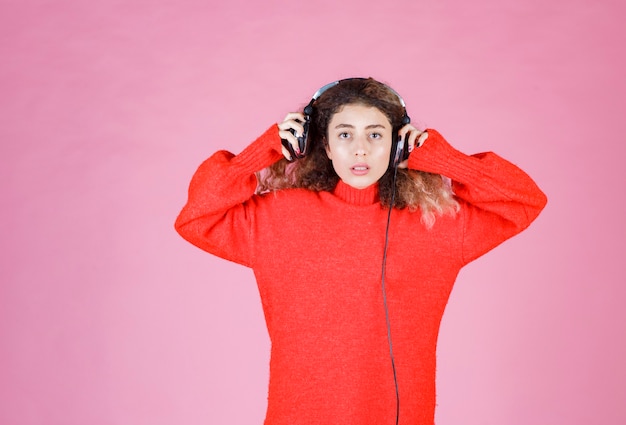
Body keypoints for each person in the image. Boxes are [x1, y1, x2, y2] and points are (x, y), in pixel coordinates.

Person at [174, 77, 547, 425]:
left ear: (399, 144)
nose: (360, 149)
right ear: (323, 144)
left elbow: (523, 201)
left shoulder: (436, 224)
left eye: (375, 134)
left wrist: (446, 161)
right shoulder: (277, 217)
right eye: (345, 134)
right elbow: (196, 218)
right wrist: (260, 154)